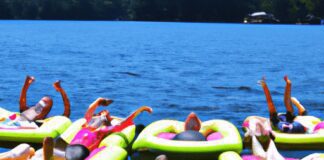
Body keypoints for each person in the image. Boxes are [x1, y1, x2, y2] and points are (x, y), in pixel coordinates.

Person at [0, 76, 70, 128]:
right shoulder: (29, 111)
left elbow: (66, 114)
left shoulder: (46, 120)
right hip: (16, 123)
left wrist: (26, 84)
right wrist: (61, 90)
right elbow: (22, 101)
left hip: (22, 124)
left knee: (44, 103)